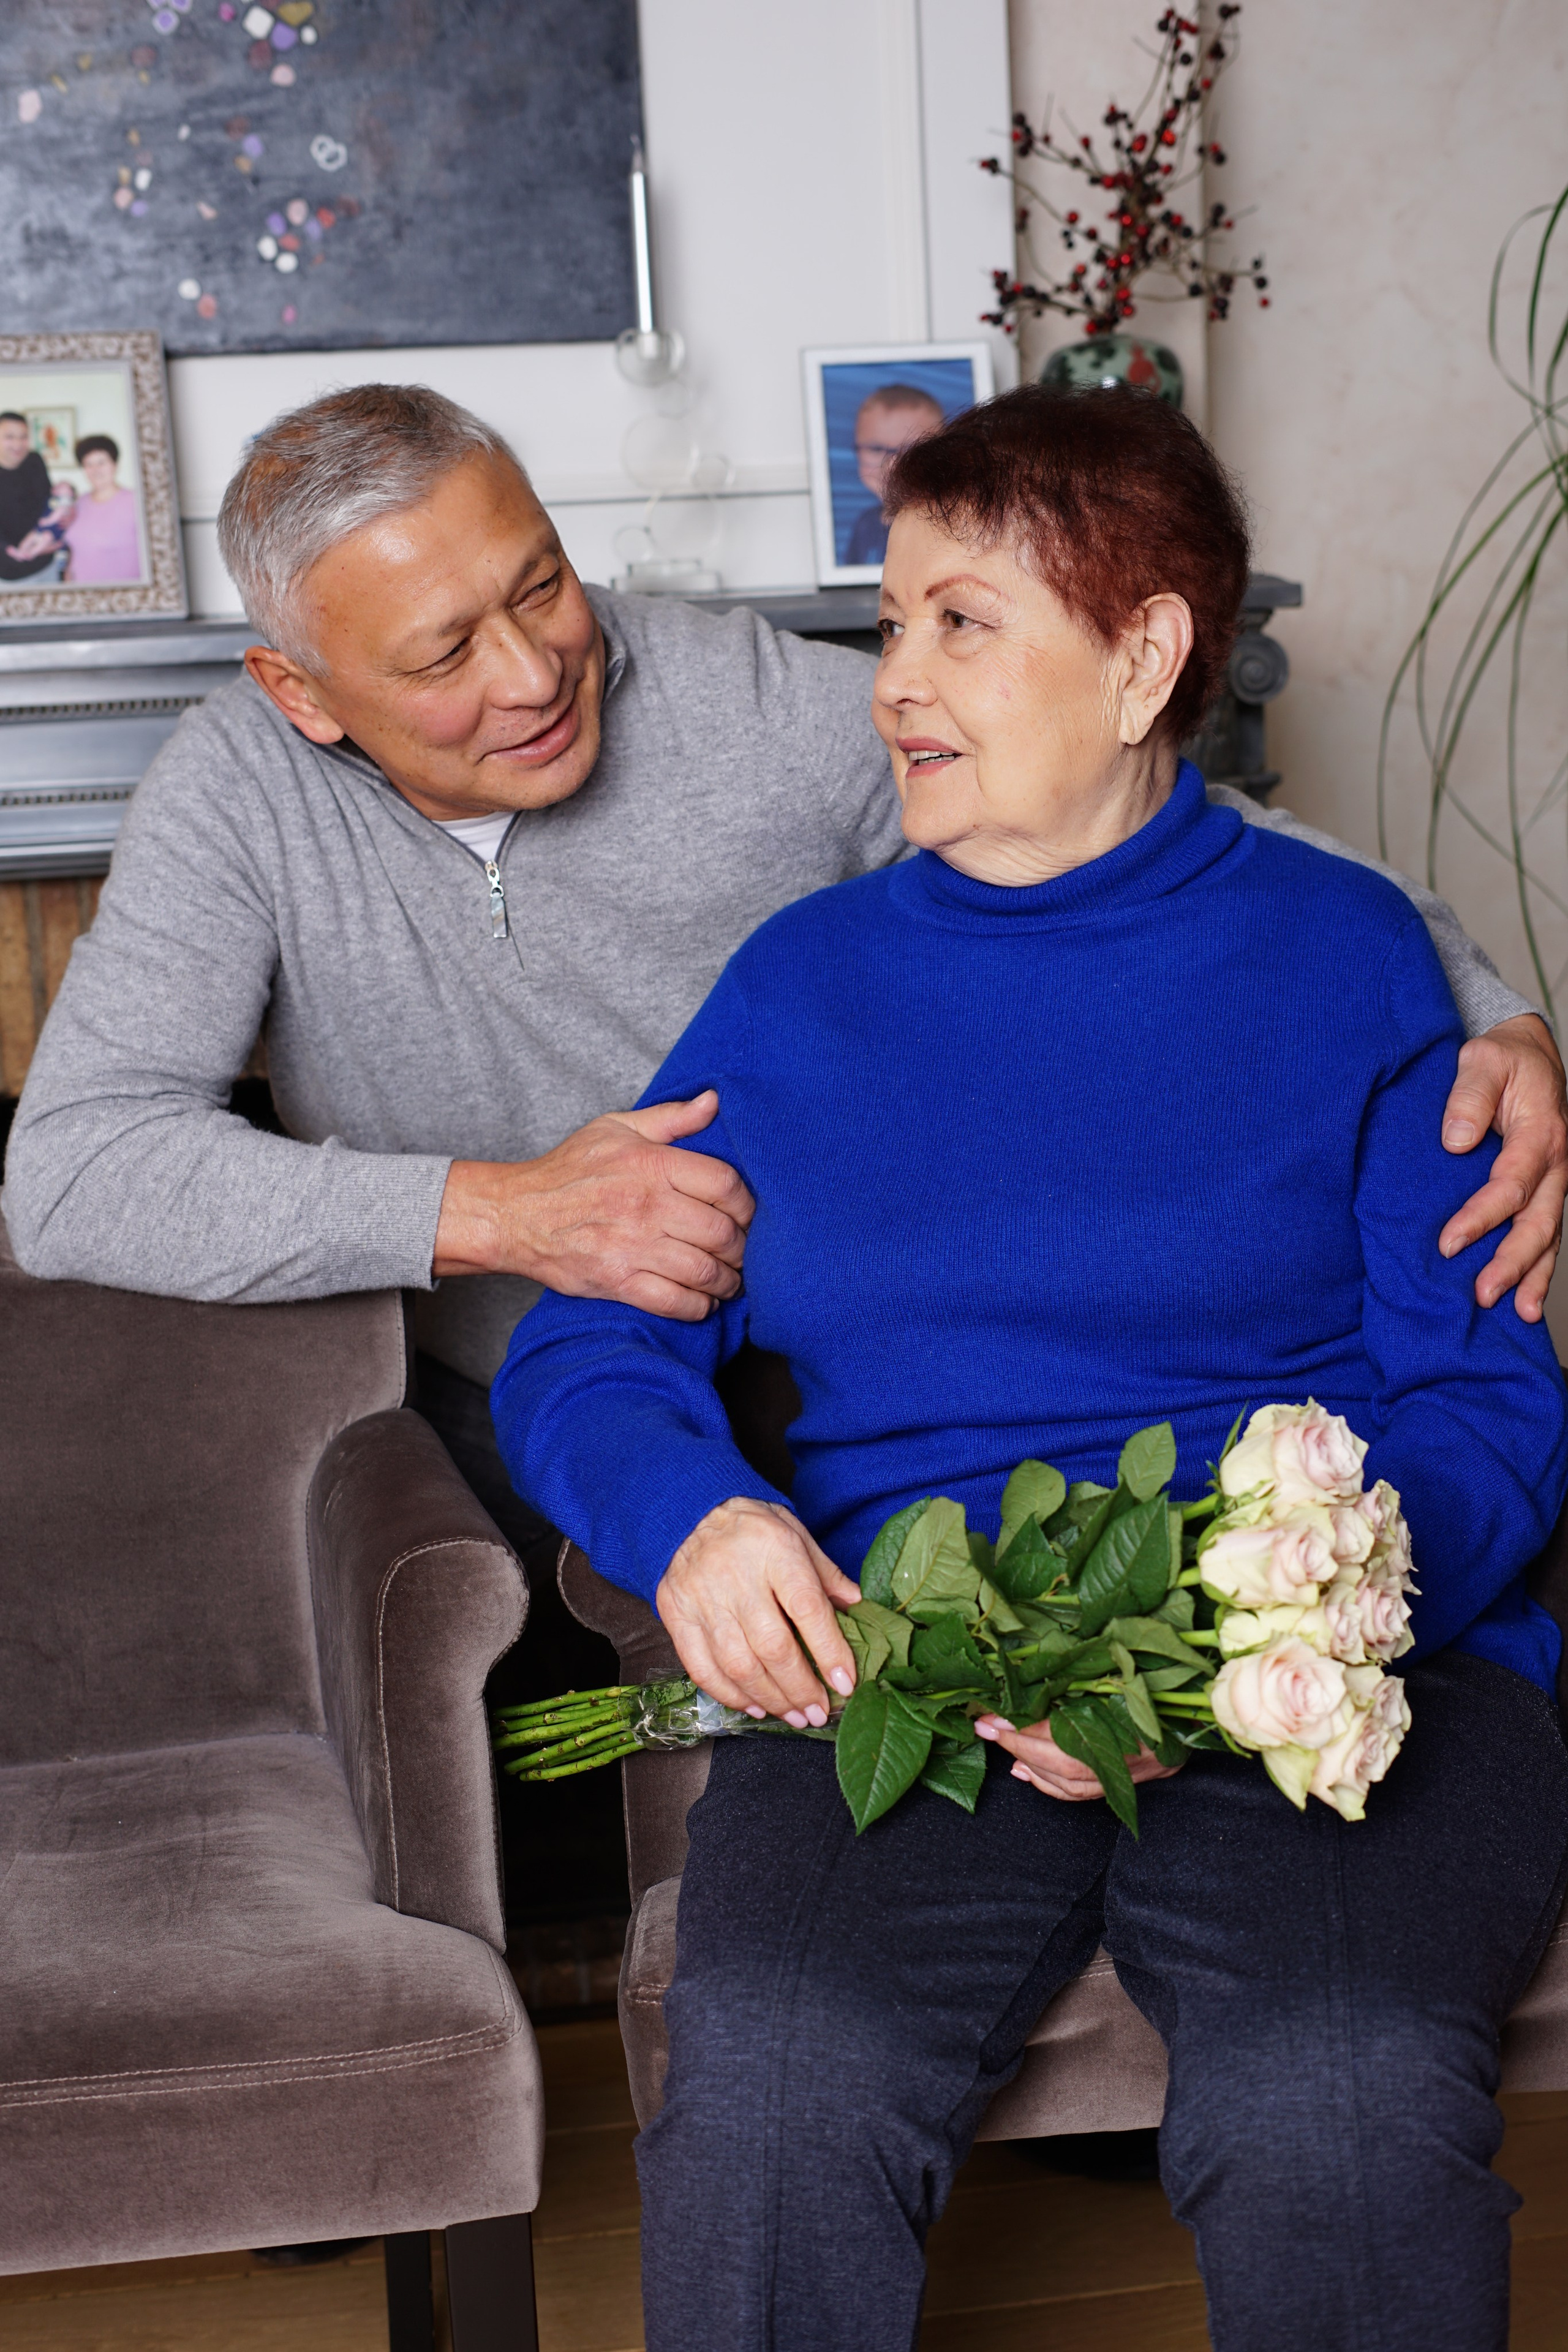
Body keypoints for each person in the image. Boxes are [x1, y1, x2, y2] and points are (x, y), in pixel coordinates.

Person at [491, 385, 1568, 2352]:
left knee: (1332, 2090)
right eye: (887, 620)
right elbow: (589, 1332)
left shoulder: (1353, 958)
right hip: (913, 1671)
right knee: (778, 2081)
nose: (893, 678)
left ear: (1146, 652)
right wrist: (701, 1512)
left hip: (1312, 1677)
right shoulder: (798, 988)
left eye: (960, 622)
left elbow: (1484, 1405)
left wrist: (1246, 1629)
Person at [4, 383, 1564, 1572]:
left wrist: (1490, 1006)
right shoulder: (234, 792)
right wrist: (497, 1208)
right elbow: (73, 1169)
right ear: (303, 691)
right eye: (439, 655)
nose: (535, 672)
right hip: (505, 1395)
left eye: (540, 585)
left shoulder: (737, 694)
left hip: (803, 1392)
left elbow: (1149, 810)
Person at [842, 383, 944, 565]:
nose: (893, 465)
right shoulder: (865, 525)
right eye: (875, 449)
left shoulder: (945, 527)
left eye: (912, 451)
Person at [60, 435, 144, 584]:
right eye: (89, 464)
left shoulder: (136, 502)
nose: (95, 470)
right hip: (79, 594)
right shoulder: (79, 503)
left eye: (101, 463)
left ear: (115, 465)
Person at [0, 410, 64, 583]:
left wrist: (52, 533)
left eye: (24, 437)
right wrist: (22, 552)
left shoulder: (35, 461)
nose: (18, 444)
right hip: (9, 576)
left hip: (47, 566)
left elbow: (50, 504)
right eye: (10, 437)